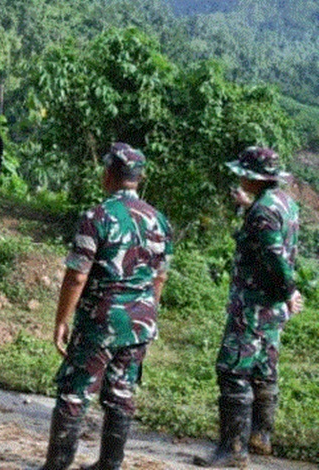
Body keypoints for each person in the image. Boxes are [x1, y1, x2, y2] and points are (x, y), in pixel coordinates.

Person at [41, 142, 172, 470]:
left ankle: (57, 466)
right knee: (121, 392)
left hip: (100, 321)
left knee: (74, 392)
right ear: (139, 177)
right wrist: (146, 315)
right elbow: (160, 277)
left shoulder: (97, 217)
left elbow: (77, 276)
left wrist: (61, 320)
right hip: (141, 322)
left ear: (109, 173)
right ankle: (110, 465)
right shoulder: (159, 220)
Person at [195, 146, 302, 468]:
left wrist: (290, 291)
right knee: (264, 369)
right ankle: (260, 436)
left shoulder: (263, 212)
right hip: (271, 309)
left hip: (254, 306)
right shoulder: (284, 202)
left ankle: (233, 450)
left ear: (254, 177)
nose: (239, 178)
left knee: (233, 370)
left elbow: (275, 257)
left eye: (243, 173)